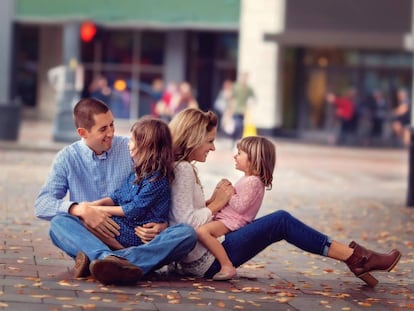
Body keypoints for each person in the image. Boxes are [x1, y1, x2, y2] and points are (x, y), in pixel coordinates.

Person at [167, 107, 401, 288]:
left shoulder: (184, 167)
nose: (214, 148)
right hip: (207, 261)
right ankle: (357, 259)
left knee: (281, 221)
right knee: (281, 220)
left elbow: (184, 216)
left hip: (206, 252)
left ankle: (357, 258)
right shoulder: (184, 169)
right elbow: (186, 224)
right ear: (193, 138)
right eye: (209, 141)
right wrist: (217, 203)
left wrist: (213, 202)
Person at [34, 98, 197, 286]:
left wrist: (164, 224)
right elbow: (42, 204)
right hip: (92, 237)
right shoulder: (67, 159)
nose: (111, 132)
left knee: (187, 234)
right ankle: (109, 259)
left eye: (112, 125)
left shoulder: (133, 147)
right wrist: (80, 209)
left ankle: (108, 262)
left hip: (137, 234)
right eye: (103, 129)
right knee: (59, 224)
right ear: (83, 133)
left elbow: (158, 187)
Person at [85, 116, 174, 249]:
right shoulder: (139, 170)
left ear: (146, 145)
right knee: (89, 218)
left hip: (139, 231)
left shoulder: (157, 177)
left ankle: (124, 255)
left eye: (132, 140)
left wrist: (96, 210)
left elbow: (134, 209)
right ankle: (105, 256)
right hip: (129, 223)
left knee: (90, 220)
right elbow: (118, 196)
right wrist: (93, 205)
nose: (128, 144)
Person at [196, 136, 276, 281]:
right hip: (227, 218)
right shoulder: (247, 179)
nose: (235, 156)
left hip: (232, 221)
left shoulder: (253, 181)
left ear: (253, 159)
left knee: (203, 232)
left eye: (239, 153)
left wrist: (229, 192)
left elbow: (240, 206)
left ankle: (226, 265)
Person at [231, 72, 255, 143]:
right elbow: (232, 98)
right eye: (243, 77)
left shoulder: (248, 88)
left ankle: (238, 141)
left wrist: (248, 108)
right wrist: (231, 109)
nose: (244, 79)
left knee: (241, 127)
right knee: (236, 125)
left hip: (243, 111)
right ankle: (233, 140)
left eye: (246, 78)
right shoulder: (236, 87)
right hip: (236, 110)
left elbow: (253, 98)